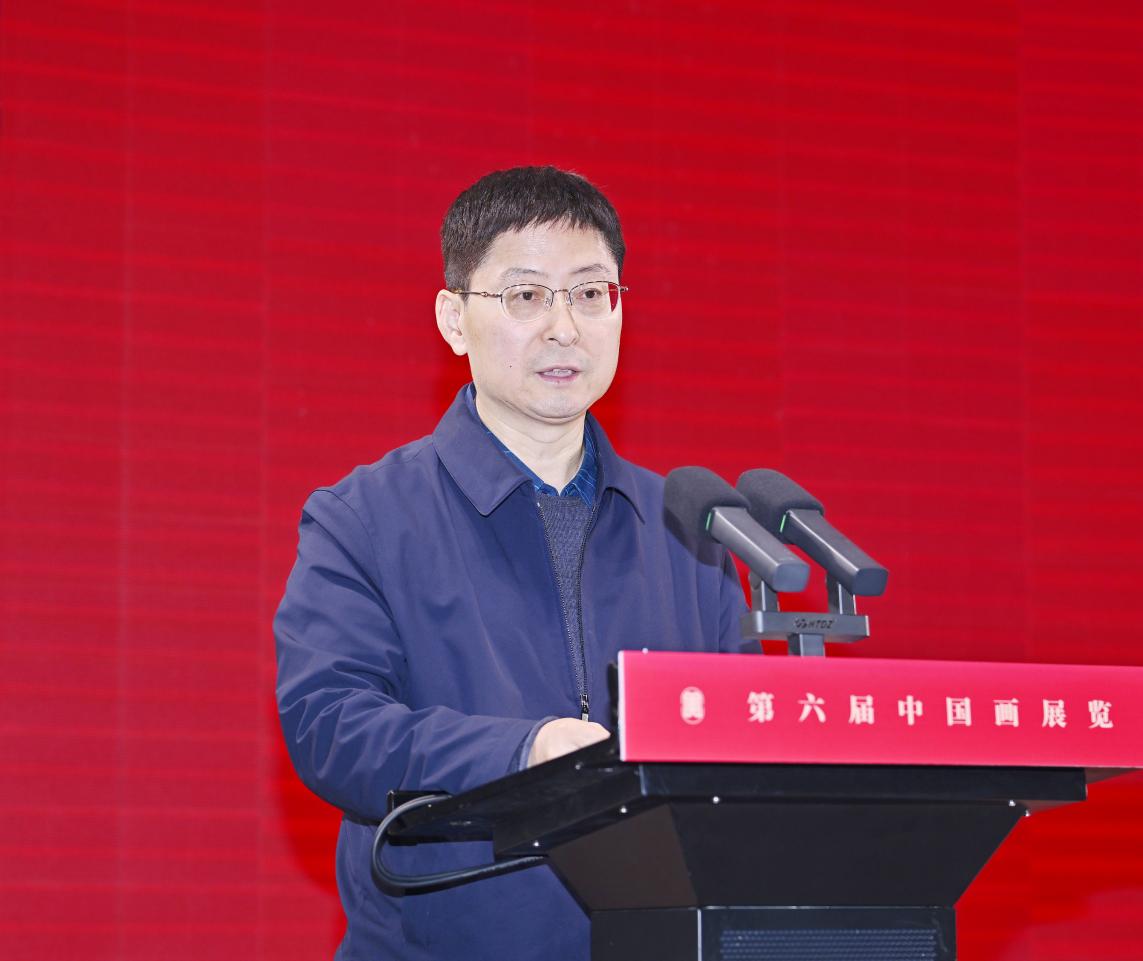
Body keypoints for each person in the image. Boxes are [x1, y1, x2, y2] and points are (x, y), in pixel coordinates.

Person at [274, 166, 746, 961]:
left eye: (591, 293)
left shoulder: (688, 527)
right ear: (453, 319)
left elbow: (741, 745)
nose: (564, 327)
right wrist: (522, 754)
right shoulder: (363, 518)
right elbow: (331, 726)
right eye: (526, 295)